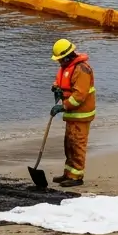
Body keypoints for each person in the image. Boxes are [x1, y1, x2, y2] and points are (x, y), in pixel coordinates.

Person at [51, 38, 95, 187]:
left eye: (60, 59)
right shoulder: (67, 67)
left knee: (77, 145)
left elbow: (79, 96)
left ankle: (76, 177)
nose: (59, 62)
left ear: (67, 56)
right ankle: (68, 173)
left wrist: (62, 106)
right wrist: (56, 88)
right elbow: (60, 80)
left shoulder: (82, 70)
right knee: (69, 144)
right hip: (71, 115)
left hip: (81, 115)